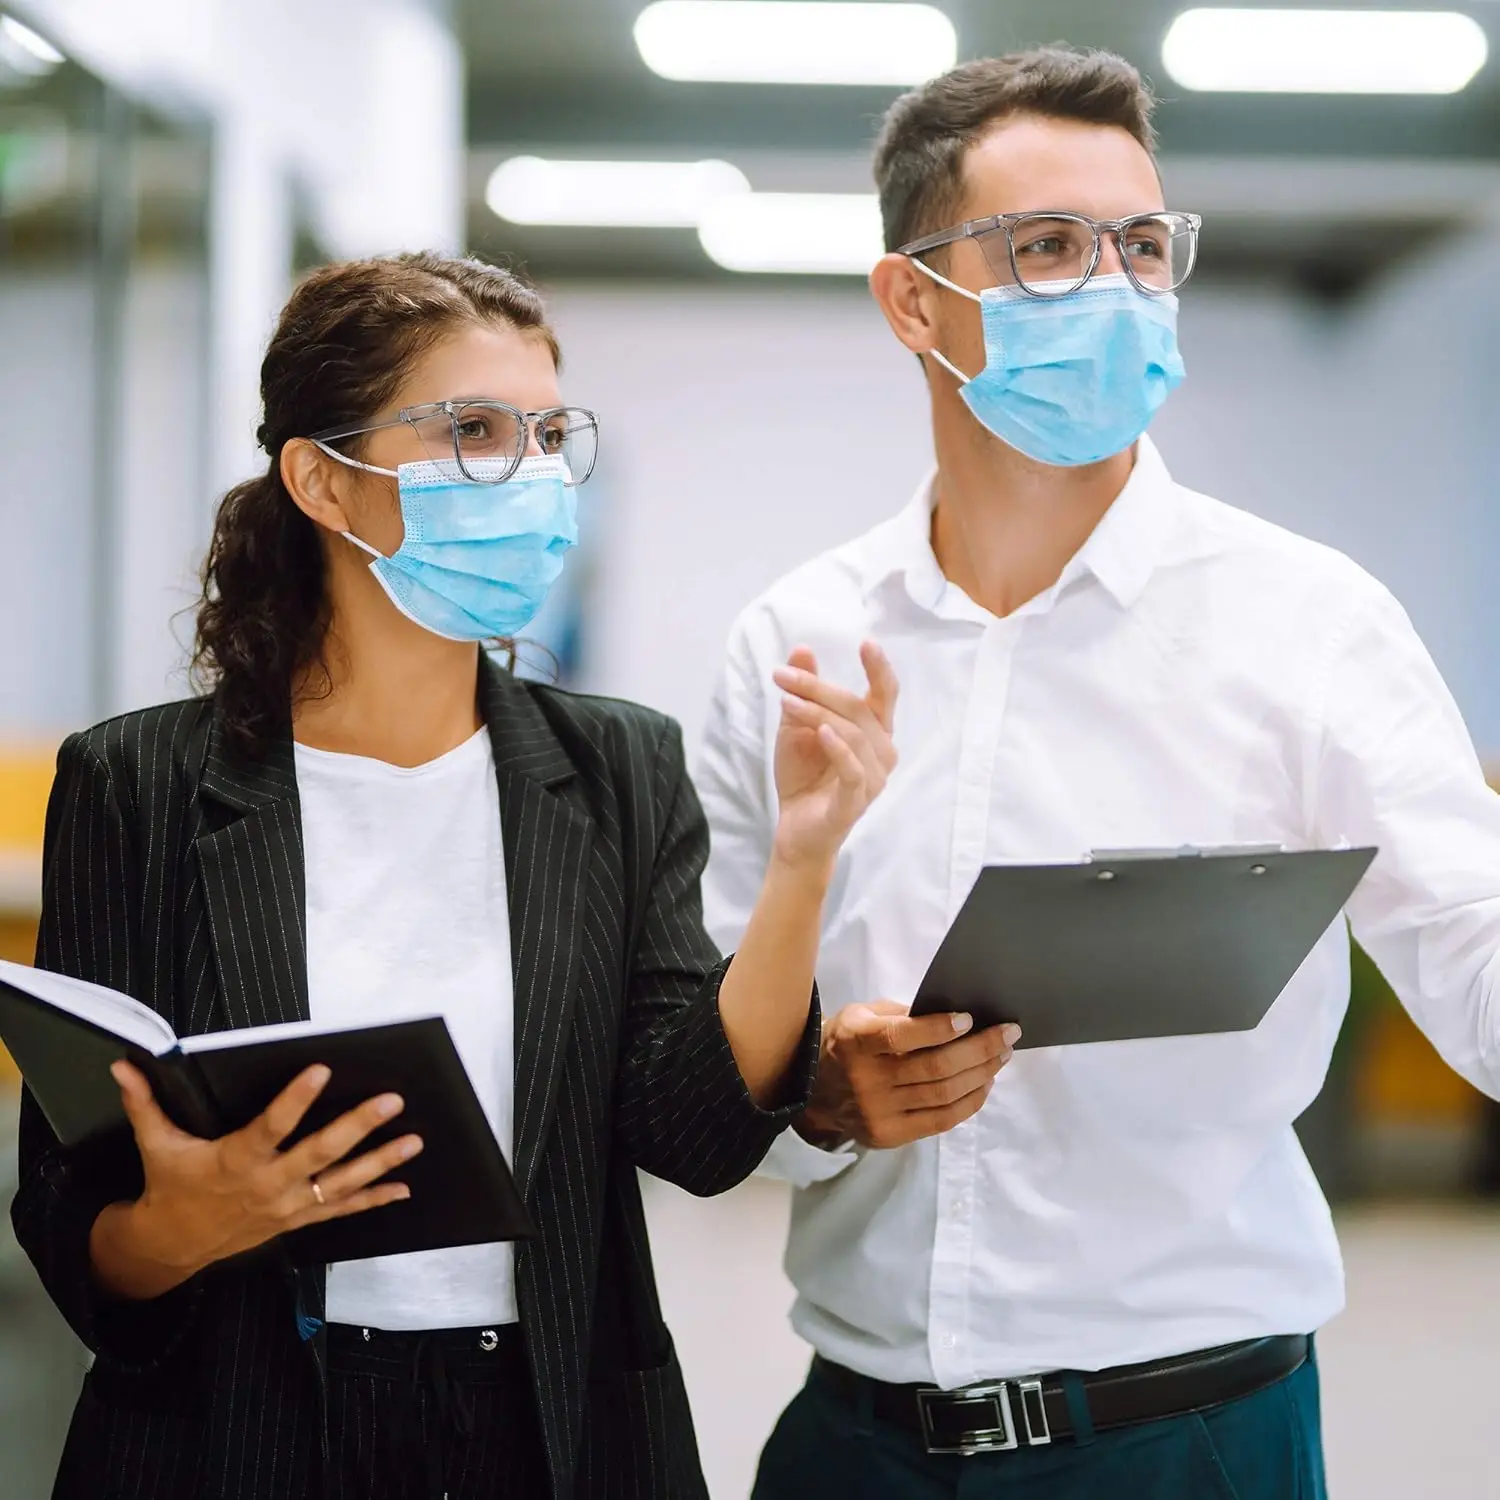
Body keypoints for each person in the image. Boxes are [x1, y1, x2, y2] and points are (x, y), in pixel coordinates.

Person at [696, 46, 1500, 1500]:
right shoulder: (794, 644)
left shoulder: (1308, 625)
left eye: (1142, 244)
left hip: (1190, 1440)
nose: (1116, 288)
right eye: (1050, 248)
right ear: (912, 300)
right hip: (854, 1446)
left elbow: (1477, 954)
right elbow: (698, 1084)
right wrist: (819, 1095)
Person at [10, 251, 899, 1500]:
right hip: (234, 1426)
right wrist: (186, 1224)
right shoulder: (138, 784)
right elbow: (67, 1209)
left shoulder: (617, 765)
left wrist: (806, 858)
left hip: (552, 1427)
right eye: (474, 431)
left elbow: (694, 1133)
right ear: (322, 480)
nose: (529, 477)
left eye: (547, 435)